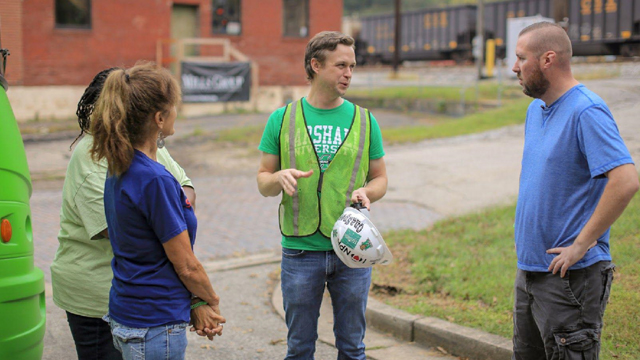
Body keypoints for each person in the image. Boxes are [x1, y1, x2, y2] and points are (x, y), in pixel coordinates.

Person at [50, 67, 211, 360]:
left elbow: (185, 189)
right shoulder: (95, 156)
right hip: (100, 298)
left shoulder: (146, 150)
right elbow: (130, 232)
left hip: (145, 299)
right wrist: (204, 298)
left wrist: (168, 208)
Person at [256, 31, 388, 360]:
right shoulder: (281, 118)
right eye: (341, 65)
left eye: (353, 66)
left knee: (353, 347)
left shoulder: (365, 120)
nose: (349, 73)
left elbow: (381, 179)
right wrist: (277, 177)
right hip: (301, 252)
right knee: (299, 347)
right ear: (315, 65)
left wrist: (367, 191)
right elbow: (262, 181)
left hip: (353, 252)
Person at [511, 22, 639, 359]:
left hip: (569, 278)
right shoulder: (535, 110)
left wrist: (581, 244)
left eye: (521, 58)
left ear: (548, 59)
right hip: (530, 273)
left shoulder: (587, 110)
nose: (514, 68)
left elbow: (625, 180)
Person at [88, 62, 224, 360]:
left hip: (129, 312)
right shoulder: (154, 179)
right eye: (174, 107)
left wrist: (195, 303)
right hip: (154, 325)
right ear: (160, 118)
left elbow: (151, 252)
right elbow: (186, 265)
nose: (178, 112)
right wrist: (210, 300)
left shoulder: (121, 166)